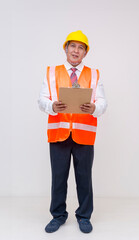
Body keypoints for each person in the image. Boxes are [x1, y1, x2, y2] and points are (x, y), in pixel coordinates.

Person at [38, 30, 107, 234]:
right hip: (59, 133)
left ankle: (84, 216)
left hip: (84, 135)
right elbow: (41, 100)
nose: (76, 50)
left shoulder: (94, 74)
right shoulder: (51, 72)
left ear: (85, 52)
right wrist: (52, 106)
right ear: (66, 49)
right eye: (72, 46)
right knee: (58, 177)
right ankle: (58, 216)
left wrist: (95, 108)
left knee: (84, 177)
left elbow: (102, 102)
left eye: (81, 47)